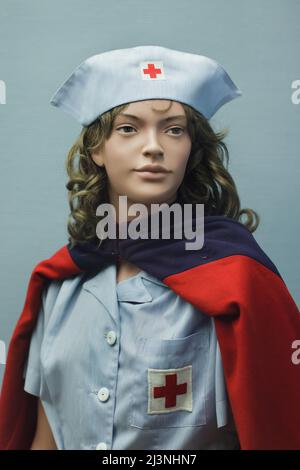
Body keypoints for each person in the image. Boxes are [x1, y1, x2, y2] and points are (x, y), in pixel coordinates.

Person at [0, 45, 299, 451]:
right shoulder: (60, 286)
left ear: (191, 149)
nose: (154, 146)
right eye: (128, 128)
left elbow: (274, 426)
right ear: (97, 150)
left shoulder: (238, 281)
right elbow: (44, 437)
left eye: (174, 129)